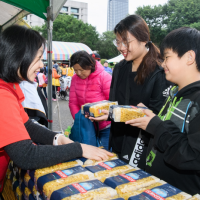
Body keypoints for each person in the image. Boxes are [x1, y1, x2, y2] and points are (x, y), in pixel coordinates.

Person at [0, 25, 113, 195]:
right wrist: (79, 149)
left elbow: (27, 126)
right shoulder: (3, 95)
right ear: (19, 55)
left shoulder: (9, 88)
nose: (41, 65)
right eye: (38, 58)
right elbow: (26, 155)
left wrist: (58, 138)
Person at [90, 15, 171, 169]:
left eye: (125, 42)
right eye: (118, 42)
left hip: (142, 148)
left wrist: (114, 114)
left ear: (143, 39)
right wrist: (105, 112)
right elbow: (113, 103)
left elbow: (158, 116)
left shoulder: (159, 72)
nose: (120, 47)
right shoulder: (120, 68)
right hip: (118, 141)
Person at [125, 27, 200, 195]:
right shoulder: (174, 93)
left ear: (189, 57)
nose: (163, 64)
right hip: (157, 189)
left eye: (166, 57)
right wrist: (150, 120)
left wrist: (157, 126)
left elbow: (193, 157)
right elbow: (168, 132)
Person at [69, 51, 112, 150]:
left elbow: (113, 102)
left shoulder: (104, 77)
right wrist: (80, 121)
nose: (79, 73)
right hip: (86, 127)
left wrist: (103, 116)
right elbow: (73, 103)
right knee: (87, 154)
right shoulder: (75, 79)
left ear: (90, 65)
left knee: (103, 155)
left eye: (82, 70)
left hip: (105, 127)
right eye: (76, 70)